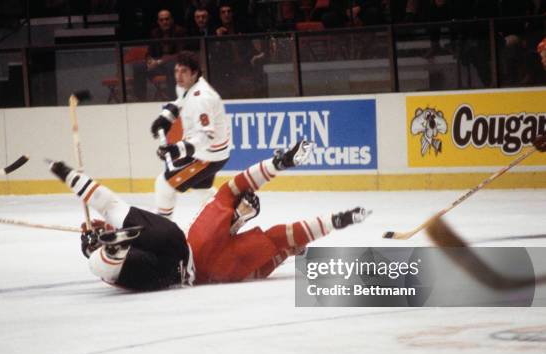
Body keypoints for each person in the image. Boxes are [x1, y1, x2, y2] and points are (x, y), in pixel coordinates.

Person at [47, 140, 371, 291]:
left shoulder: (223, 223)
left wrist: (333, 223)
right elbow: (279, 234)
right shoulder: (219, 218)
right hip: (179, 256)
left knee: (110, 251)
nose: (245, 206)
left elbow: (282, 239)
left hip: (178, 262)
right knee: (115, 227)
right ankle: (104, 246)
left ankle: (105, 249)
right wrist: (281, 163)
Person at [149, 51, 230, 218]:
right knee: (202, 189)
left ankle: (163, 229)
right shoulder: (189, 86)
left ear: (194, 73)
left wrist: (177, 149)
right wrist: (166, 117)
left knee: (164, 185)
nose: (178, 75)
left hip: (208, 156)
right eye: (176, 71)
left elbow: (207, 136)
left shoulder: (201, 98)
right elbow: (182, 100)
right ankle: (226, 217)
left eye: (184, 71)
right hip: (207, 153)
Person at [133, 9, 185, 101]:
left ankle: (172, 99)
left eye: (167, 19)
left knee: (171, 66)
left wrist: (160, 61)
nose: (164, 22)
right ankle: (140, 99)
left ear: (172, 20)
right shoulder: (155, 33)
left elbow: (180, 53)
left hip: (174, 64)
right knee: (138, 66)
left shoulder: (179, 31)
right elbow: (149, 52)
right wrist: (150, 61)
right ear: (158, 22)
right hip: (158, 65)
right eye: (161, 20)